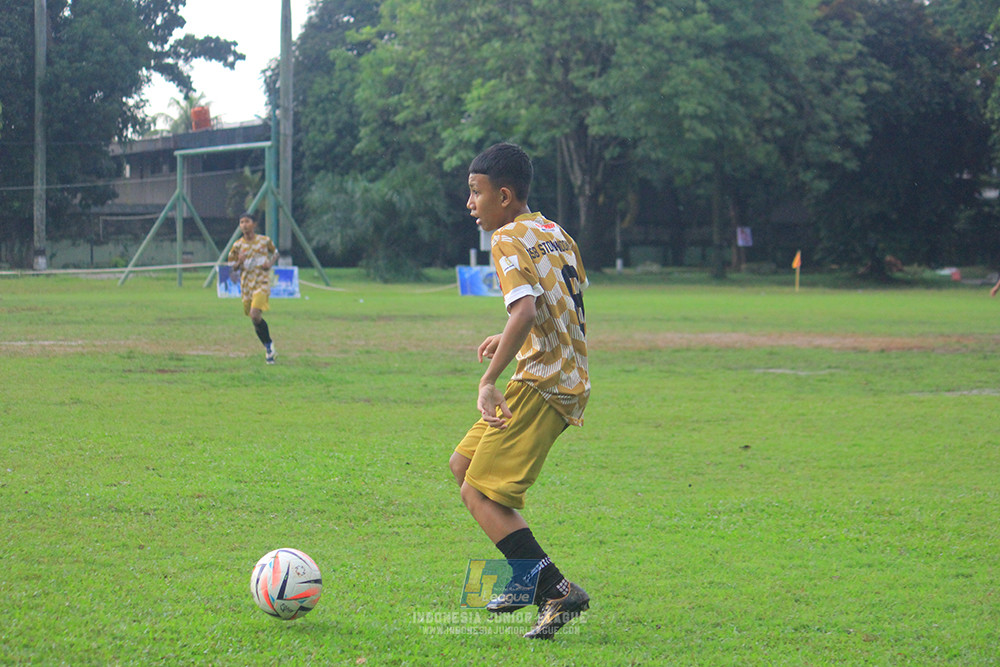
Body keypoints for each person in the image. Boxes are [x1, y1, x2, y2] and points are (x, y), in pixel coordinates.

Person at [448, 143, 590, 640]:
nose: (470, 203)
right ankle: (526, 576)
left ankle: (553, 589)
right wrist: (509, 332)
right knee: (463, 466)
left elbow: (526, 310)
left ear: (503, 195)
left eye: (475, 192)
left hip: (543, 382)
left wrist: (488, 381)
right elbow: (552, 304)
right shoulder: (554, 231)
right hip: (557, 372)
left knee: (477, 491)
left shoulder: (507, 238)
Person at [228, 213, 278, 364]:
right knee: (254, 319)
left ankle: (269, 347)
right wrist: (238, 262)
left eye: (247, 221)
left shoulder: (264, 241)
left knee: (255, 314)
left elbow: (275, 253)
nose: (244, 225)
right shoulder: (237, 245)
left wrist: (269, 264)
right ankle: (268, 346)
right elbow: (232, 268)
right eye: (241, 222)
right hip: (246, 286)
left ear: (254, 224)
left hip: (261, 283)